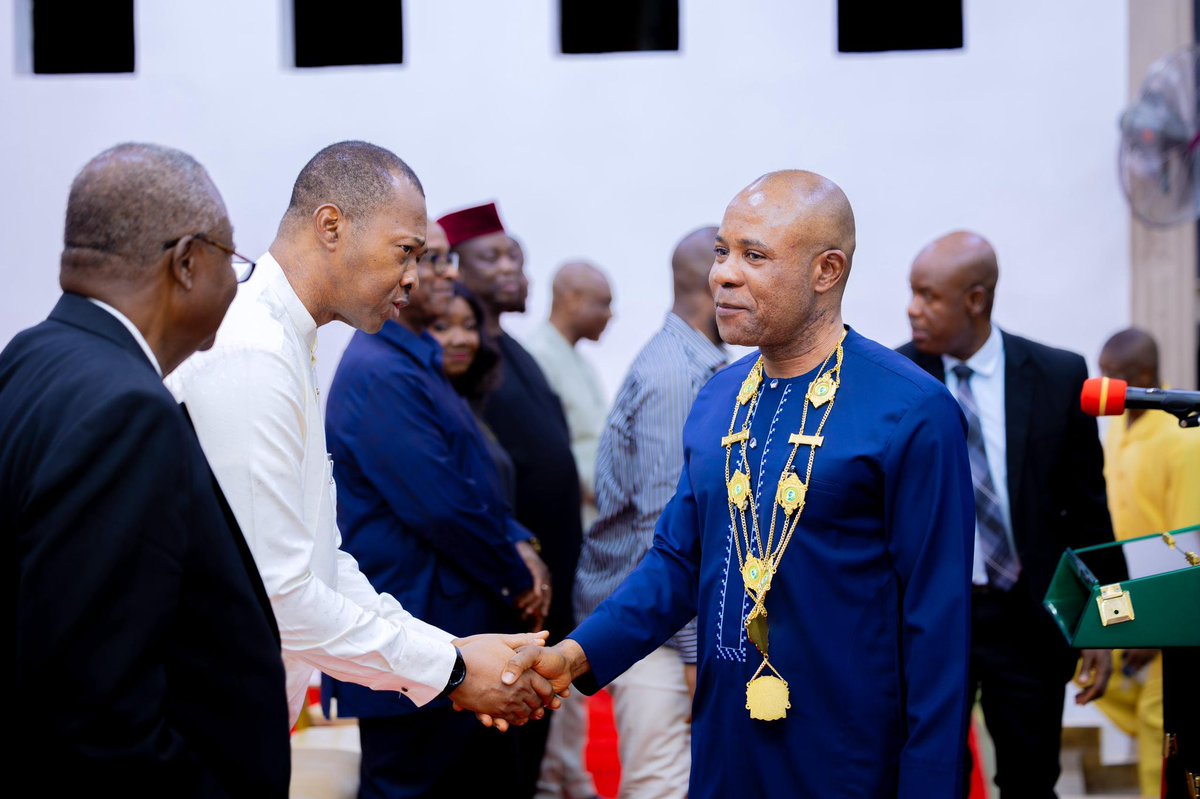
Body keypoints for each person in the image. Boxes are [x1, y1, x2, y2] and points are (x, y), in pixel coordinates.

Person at [505, 170, 976, 798]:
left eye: (754, 255)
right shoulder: (718, 399)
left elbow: (938, 625)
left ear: (826, 271)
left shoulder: (911, 410)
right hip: (727, 746)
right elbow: (676, 562)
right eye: (723, 251)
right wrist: (574, 656)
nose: (722, 273)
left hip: (851, 756)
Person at [167, 142, 556, 734]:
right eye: (406, 252)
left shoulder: (287, 337)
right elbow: (280, 592)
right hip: (205, 715)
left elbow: (321, 560)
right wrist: (452, 669)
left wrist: (453, 650)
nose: (413, 278)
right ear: (331, 226)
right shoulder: (253, 349)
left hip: (246, 707)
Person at [3, 143, 290, 797]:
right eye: (232, 260)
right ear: (188, 262)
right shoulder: (126, 409)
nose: (232, 284)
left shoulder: (32, 354)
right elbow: (98, 714)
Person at [320, 218, 551, 798]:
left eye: (447, 261)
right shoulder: (380, 371)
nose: (442, 275)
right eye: (426, 259)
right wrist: (514, 574)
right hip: (418, 633)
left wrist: (520, 542)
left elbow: (477, 478)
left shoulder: (417, 361)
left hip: (453, 629)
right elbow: (440, 507)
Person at [898, 230, 1120, 798]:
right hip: (931, 620)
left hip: (1028, 620)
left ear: (975, 299)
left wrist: (1106, 619)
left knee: (1029, 781)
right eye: (912, 293)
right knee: (931, 779)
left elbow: (1089, 512)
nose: (912, 309)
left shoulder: (1056, 375)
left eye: (928, 296)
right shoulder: (897, 381)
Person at [438, 202, 589, 797]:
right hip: (505, 595)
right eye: (492, 257)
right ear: (454, 271)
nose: (510, 269)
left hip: (543, 591)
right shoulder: (458, 367)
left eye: (516, 257)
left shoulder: (512, 351)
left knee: (529, 757)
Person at [573, 225, 726, 798]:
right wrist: (694, 651)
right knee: (659, 785)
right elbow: (665, 535)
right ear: (715, 282)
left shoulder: (702, 362)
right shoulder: (675, 377)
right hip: (654, 626)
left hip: (671, 621)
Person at [1094, 328, 1200, 797]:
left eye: (1114, 378)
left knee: (1160, 728)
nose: (1104, 387)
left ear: (1143, 377)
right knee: (1111, 692)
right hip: (1131, 595)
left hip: (1171, 608)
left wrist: (1158, 625)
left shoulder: (1183, 443)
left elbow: (1187, 546)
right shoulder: (1119, 424)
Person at [526, 260, 614, 526]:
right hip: (566, 519)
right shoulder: (538, 357)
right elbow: (544, 451)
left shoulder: (578, 360)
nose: (610, 315)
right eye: (603, 303)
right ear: (573, 300)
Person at [430, 283, 515, 502]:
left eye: (469, 327)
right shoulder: (423, 405)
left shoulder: (469, 402)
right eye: (441, 327)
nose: (460, 339)